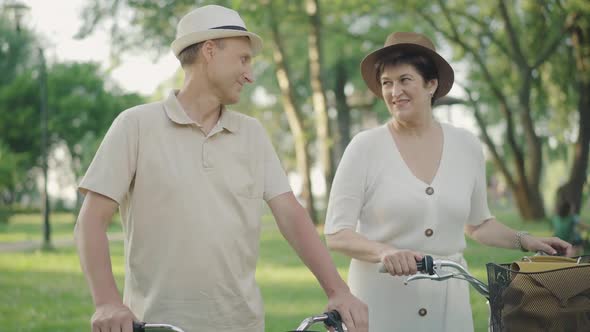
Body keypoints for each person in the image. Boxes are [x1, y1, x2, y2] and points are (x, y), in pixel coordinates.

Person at [74, 5, 367, 332]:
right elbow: (91, 221)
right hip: (156, 325)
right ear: (210, 50)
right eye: (243, 59)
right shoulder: (136, 126)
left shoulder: (252, 134)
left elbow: (290, 214)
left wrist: (338, 291)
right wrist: (107, 302)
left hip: (243, 324)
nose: (250, 75)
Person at [323, 31, 573, 332]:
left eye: (404, 80)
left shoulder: (466, 145)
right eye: (386, 83)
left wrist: (527, 240)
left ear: (431, 85)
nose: (393, 91)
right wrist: (384, 252)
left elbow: (478, 224)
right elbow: (337, 233)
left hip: (449, 306)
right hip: (382, 304)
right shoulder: (364, 147)